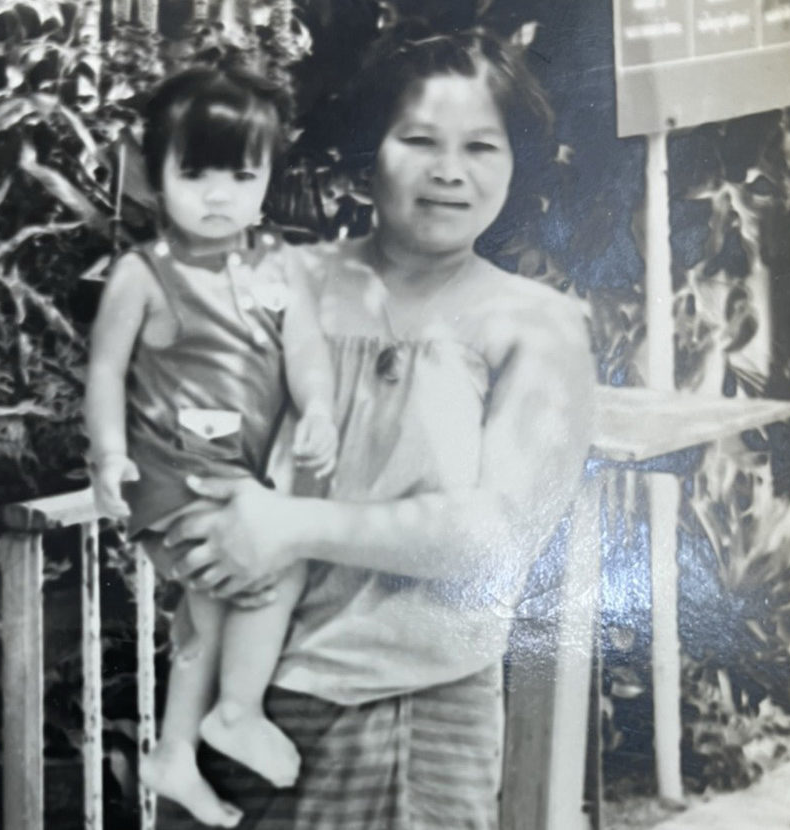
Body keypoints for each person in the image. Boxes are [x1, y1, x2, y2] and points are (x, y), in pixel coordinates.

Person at [157, 24, 597, 829]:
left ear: (516, 162)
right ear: (371, 151)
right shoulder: (284, 281)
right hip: (232, 692)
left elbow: (491, 538)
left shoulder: (536, 326)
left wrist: (290, 526)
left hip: (406, 709)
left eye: (481, 148)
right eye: (418, 140)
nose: (448, 173)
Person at [84, 66, 339, 828]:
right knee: (270, 572)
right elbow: (104, 368)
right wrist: (107, 454)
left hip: (241, 476)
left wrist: (319, 407)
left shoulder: (280, 266)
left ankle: (174, 756)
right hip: (174, 475)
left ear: (267, 180)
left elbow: (308, 352)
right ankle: (235, 710)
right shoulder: (142, 274)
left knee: (205, 621)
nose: (218, 193)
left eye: (241, 173)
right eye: (195, 173)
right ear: (155, 176)